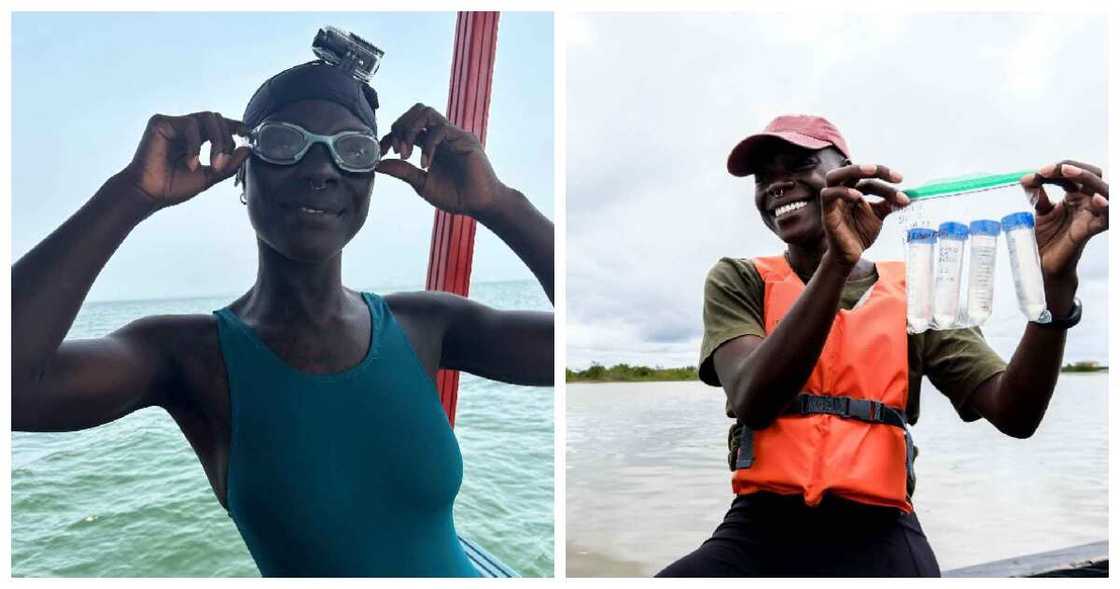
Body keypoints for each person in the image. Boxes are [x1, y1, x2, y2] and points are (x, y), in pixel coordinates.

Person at [11, 54, 553, 577]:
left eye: (352, 150)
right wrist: (128, 194)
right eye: (285, 143)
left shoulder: (425, 325)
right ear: (242, 176)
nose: (321, 169)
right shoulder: (190, 355)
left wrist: (498, 203)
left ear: (371, 181)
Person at [656, 115, 1108, 577]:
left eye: (800, 164)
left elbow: (1015, 413)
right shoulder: (738, 278)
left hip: (881, 526)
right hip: (762, 523)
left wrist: (1056, 285)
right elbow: (753, 400)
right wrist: (838, 260)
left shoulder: (913, 290)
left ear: (849, 174)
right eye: (764, 177)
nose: (777, 184)